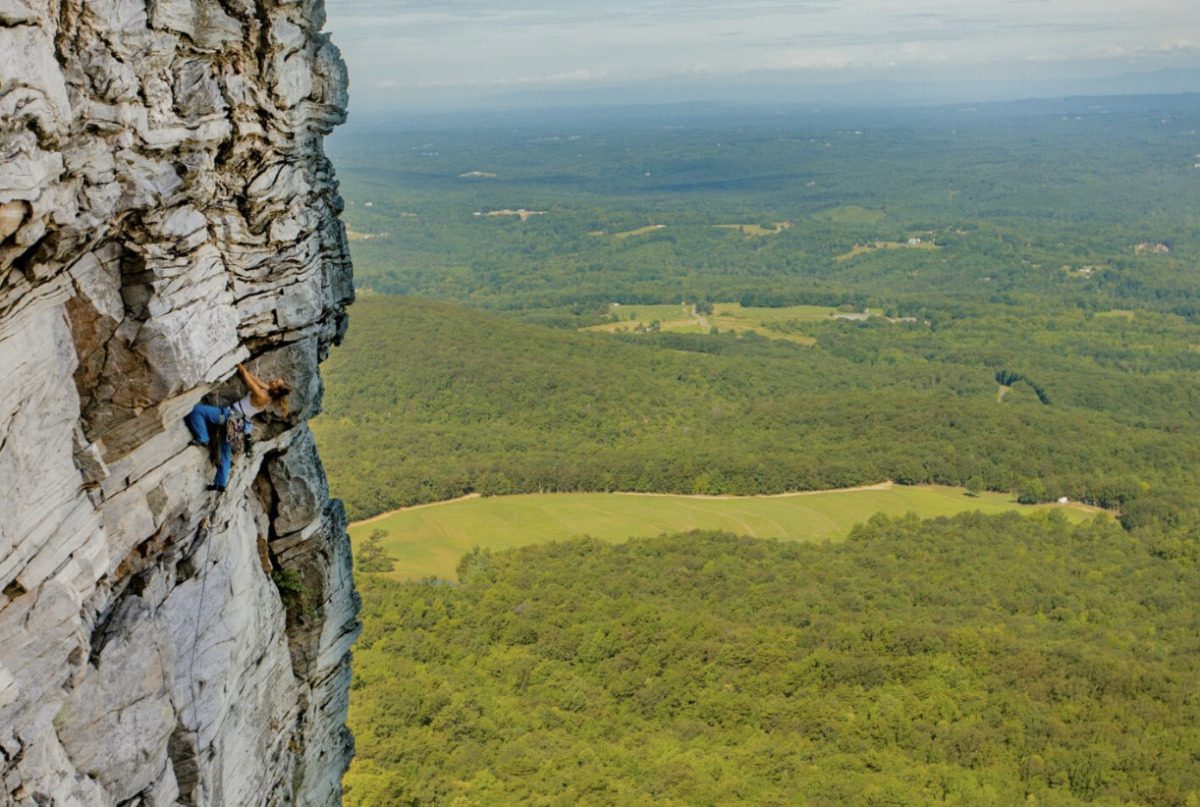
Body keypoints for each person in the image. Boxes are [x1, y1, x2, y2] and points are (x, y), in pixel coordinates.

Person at [184, 363, 292, 491]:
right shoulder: (269, 393)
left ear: (276, 389)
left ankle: (202, 437)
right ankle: (221, 484)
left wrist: (240, 366)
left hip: (227, 417)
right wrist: (245, 370)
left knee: (196, 410)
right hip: (236, 424)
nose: (273, 380)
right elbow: (256, 380)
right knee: (225, 452)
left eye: (276, 382)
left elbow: (248, 381)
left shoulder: (263, 396)